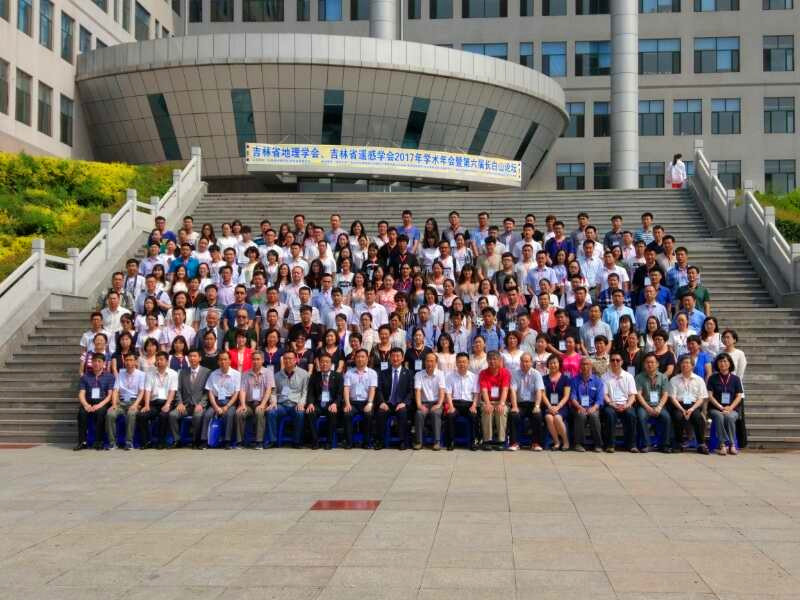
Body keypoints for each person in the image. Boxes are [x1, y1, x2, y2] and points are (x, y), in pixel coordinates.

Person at [668, 355, 710, 454]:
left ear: (692, 366)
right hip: (678, 405)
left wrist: (691, 409)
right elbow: (672, 398)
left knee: (697, 417)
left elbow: (701, 398)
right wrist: (682, 410)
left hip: (694, 405)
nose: (685, 365)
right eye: (683, 363)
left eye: (687, 363)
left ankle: (701, 444)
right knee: (678, 416)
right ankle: (678, 443)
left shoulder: (699, 380)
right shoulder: (674, 379)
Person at [137, 351, 179, 449]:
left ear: (167, 361)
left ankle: (161, 441)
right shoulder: (150, 373)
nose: (159, 362)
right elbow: (147, 390)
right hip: (154, 403)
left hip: (167, 402)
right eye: (157, 360)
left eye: (161, 359)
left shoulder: (173, 374)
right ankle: (147, 441)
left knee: (163, 415)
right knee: (141, 415)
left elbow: (172, 391)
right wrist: (147, 405)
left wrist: (167, 404)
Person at [74, 353, 116, 451]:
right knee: (81, 413)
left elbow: (110, 395)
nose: (96, 363)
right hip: (88, 402)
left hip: (102, 402)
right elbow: (81, 393)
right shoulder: (85, 376)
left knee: (100, 413)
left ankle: (99, 441)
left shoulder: (109, 376)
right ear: (91, 363)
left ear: (104, 363)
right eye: (94, 361)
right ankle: (82, 442)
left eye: (99, 361)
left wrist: (99, 405)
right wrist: (86, 405)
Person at [170, 349, 210, 449]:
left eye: (195, 356)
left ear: (200, 358)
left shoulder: (207, 372)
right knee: (172, 415)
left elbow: (207, 392)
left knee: (198, 416)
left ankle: (195, 441)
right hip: (185, 405)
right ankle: (177, 440)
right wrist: (179, 403)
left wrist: (201, 404)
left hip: (199, 405)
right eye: (190, 356)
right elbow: (178, 390)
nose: (192, 358)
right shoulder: (182, 372)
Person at [201, 351, 242, 449]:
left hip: (230, 402)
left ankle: (227, 441)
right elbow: (210, 392)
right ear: (218, 362)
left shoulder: (236, 374)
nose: (223, 362)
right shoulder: (213, 374)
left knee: (229, 414)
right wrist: (216, 407)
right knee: (207, 414)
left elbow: (236, 393)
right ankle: (204, 440)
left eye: (225, 359)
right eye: (221, 360)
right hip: (216, 402)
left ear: (230, 361)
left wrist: (227, 406)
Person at [236, 350, 275, 449]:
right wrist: (243, 405)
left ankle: (259, 441)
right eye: (253, 359)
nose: (255, 361)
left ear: (262, 360)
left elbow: (269, 390)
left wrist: (262, 404)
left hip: (262, 402)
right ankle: (240, 442)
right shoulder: (245, 374)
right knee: (240, 413)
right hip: (249, 403)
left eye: (258, 359)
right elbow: (243, 390)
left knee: (259, 412)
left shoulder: (268, 373)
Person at [706, 352, 744, 455]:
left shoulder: (736, 379)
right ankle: (722, 445)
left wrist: (730, 407)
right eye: (720, 361)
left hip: (732, 408)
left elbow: (739, 396)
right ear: (717, 364)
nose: (723, 363)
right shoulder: (712, 378)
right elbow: (710, 396)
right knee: (719, 416)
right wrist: (720, 407)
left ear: (730, 363)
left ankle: (732, 445)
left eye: (725, 361)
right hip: (715, 408)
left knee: (730, 417)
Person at [306, 353, 346, 449]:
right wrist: (310, 403)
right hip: (318, 404)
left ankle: (329, 441)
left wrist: (335, 404)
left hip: (331, 403)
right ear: (319, 363)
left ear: (331, 364)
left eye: (327, 362)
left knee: (332, 413)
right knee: (310, 412)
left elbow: (340, 394)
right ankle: (315, 441)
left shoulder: (338, 376)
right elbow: (310, 392)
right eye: (322, 362)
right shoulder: (314, 376)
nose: (324, 364)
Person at [105, 353, 145, 450]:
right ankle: (112, 443)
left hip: (134, 401)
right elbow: (115, 390)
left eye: (131, 360)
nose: (128, 362)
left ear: (135, 362)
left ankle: (129, 442)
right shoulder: (120, 373)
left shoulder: (141, 374)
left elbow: (141, 392)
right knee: (110, 414)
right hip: (121, 402)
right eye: (127, 360)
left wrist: (136, 404)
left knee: (131, 414)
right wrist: (114, 404)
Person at [634, 352, 672, 453]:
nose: (650, 364)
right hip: (644, 406)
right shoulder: (639, 377)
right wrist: (648, 408)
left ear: (657, 364)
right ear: (644, 364)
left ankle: (664, 445)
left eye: (652, 362)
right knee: (641, 416)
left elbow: (665, 394)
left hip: (659, 405)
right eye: (647, 362)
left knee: (667, 417)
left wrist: (659, 407)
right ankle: (647, 444)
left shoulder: (663, 377)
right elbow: (638, 395)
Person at [601, 351, 638, 452]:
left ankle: (631, 445)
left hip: (626, 404)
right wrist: (611, 404)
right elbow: (605, 395)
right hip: (611, 404)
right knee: (609, 414)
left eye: (618, 360)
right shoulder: (604, 377)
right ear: (610, 362)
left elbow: (632, 395)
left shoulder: (629, 376)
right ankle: (610, 445)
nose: (615, 362)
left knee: (631, 415)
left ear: (622, 362)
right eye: (613, 360)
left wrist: (627, 405)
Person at [508, 353, 545, 451]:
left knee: (537, 415)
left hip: (533, 403)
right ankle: (514, 443)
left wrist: (537, 406)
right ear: (520, 362)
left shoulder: (536, 374)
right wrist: (514, 406)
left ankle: (536, 443)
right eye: (522, 361)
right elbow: (513, 391)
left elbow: (539, 391)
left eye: (527, 361)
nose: (524, 364)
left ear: (531, 362)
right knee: (513, 414)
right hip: (520, 404)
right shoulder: (515, 374)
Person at [343, 349, 378, 448]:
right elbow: (346, 389)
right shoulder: (349, 372)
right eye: (358, 357)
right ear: (355, 359)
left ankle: (366, 442)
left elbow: (372, 389)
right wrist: (347, 404)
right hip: (352, 402)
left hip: (366, 402)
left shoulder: (372, 373)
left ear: (367, 359)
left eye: (363, 357)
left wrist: (370, 403)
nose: (360, 359)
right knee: (347, 414)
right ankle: (349, 442)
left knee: (368, 414)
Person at [478, 351, 512, 450]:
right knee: (487, 410)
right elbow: (484, 390)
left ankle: (501, 440)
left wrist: (501, 404)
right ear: (487, 360)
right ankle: (487, 440)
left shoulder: (505, 372)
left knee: (501, 411)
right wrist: (488, 404)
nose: (492, 361)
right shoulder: (483, 373)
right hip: (487, 400)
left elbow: (505, 389)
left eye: (495, 359)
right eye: (490, 359)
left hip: (501, 401)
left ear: (500, 360)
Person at [569, 356, 605, 452]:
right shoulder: (574, 380)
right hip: (578, 406)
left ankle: (598, 444)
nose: (585, 366)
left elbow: (600, 399)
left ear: (591, 366)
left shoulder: (598, 380)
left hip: (593, 407)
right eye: (583, 364)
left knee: (594, 416)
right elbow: (573, 397)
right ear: (580, 366)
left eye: (587, 364)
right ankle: (579, 444)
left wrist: (594, 408)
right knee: (581, 416)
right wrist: (579, 407)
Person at [413, 352, 446, 450]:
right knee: (419, 413)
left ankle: (436, 442)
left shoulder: (440, 374)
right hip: (424, 403)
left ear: (436, 363)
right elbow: (417, 391)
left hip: (436, 403)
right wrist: (419, 405)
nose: (429, 363)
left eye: (432, 361)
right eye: (427, 361)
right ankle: (419, 442)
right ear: (424, 362)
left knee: (436, 413)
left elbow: (442, 390)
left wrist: (439, 404)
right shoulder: (418, 374)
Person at [542, 354, 570, 451]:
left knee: (557, 417)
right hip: (549, 406)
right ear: (548, 365)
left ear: (559, 364)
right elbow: (543, 395)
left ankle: (566, 442)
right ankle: (556, 442)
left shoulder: (565, 378)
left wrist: (558, 407)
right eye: (551, 363)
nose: (553, 365)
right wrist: (550, 406)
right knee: (548, 417)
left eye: (555, 363)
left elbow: (566, 396)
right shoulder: (544, 378)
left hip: (562, 406)